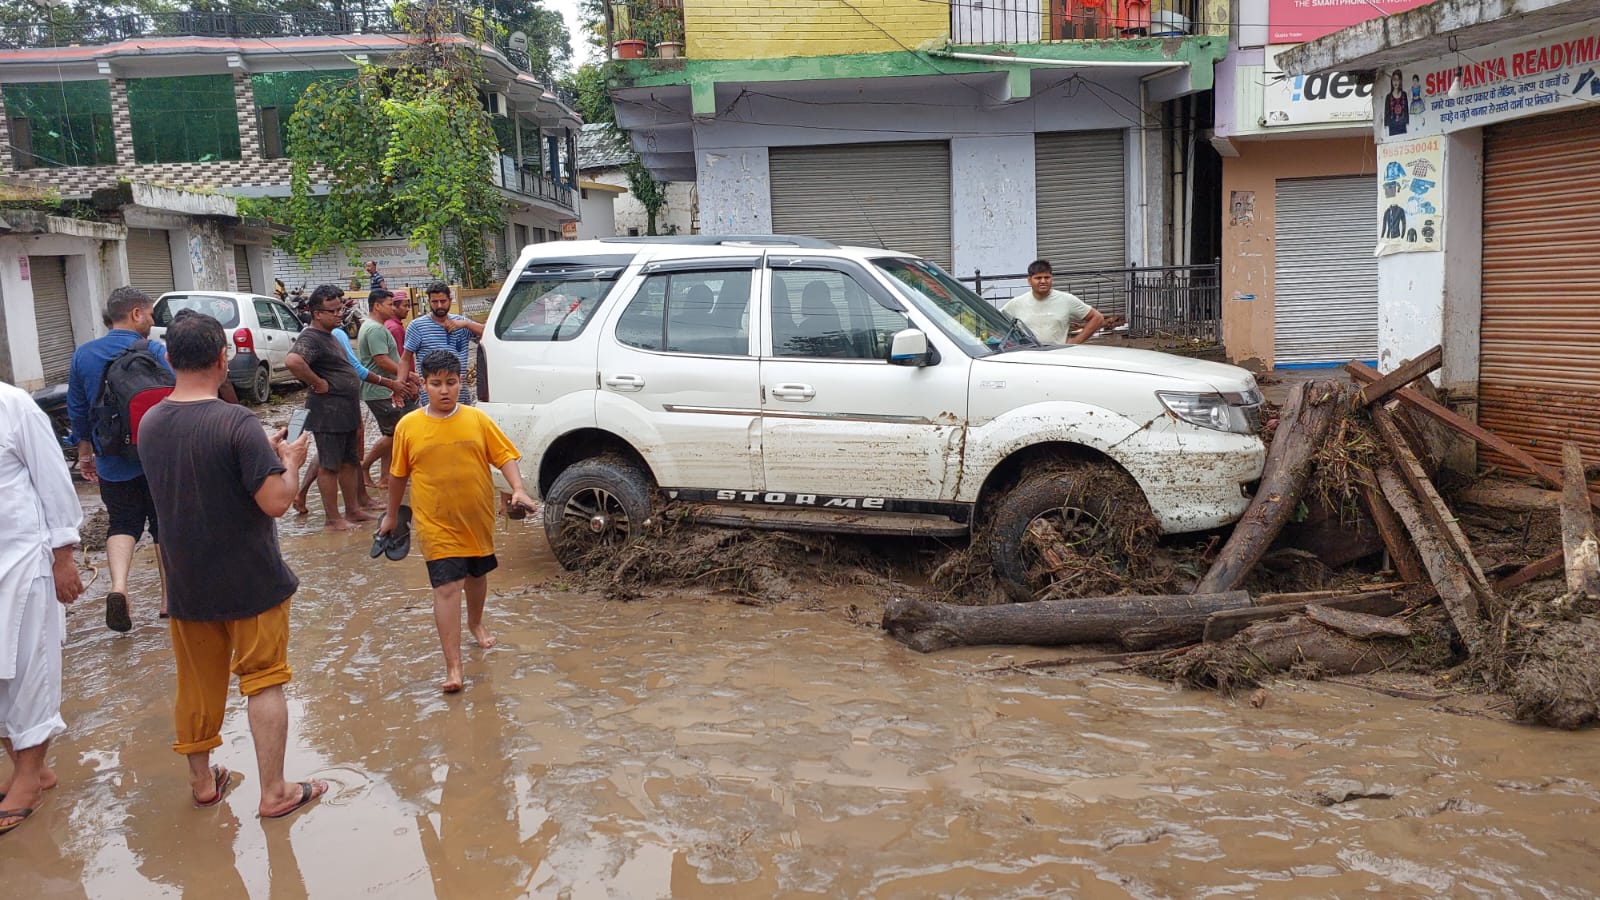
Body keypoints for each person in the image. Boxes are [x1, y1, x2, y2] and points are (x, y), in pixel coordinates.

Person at [138, 312, 328, 819]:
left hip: (185, 581)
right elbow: (276, 502)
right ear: (223, 359)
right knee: (264, 679)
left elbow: (195, 471)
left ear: (170, 360)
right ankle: (275, 792)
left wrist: (257, 452)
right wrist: (288, 460)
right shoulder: (236, 422)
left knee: (197, 683)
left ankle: (203, 783)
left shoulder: (151, 422)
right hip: (250, 580)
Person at [379, 350, 534, 694]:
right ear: (423, 384)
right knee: (447, 587)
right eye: (436, 384)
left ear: (461, 381)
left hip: (476, 518)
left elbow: (505, 456)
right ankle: (453, 667)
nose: (444, 390)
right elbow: (397, 476)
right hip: (435, 524)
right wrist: (391, 515)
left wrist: (518, 489)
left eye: (451, 382)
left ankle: (475, 623)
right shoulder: (409, 426)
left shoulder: (477, 421)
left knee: (476, 576)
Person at [0, 380, 85, 836]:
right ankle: (28, 768)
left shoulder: (14, 407)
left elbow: (54, 482)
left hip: (21, 561)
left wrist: (63, 556)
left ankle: (29, 779)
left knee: (30, 668)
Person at [66, 286, 170, 632]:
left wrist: (84, 453)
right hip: (156, 455)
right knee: (162, 524)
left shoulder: (84, 355)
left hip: (111, 456)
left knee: (122, 523)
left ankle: (119, 588)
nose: (152, 321)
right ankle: (169, 600)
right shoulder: (154, 350)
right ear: (136, 313)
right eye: (151, 314)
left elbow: (78, 410)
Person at [284, 285, 405, 531]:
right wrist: (317, 382)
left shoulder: (331, 336)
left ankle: (353, 510)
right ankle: (332, 519)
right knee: (329, 465)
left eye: (340, 309)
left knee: (350, 461)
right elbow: (293, 361)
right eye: (333, 311)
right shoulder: (311, 337)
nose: (339, 314)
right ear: (317, 313)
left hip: (344, 410)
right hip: (327, 412)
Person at [357, 289, 418, 490]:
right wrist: (409, 375)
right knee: (393, 433)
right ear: (377, 305)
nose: (393, 308)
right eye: (390, 304)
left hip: (385, 389)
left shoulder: (377, 327)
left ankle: (385, 477)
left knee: (392, 433)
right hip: (380, 389)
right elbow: (382, 360)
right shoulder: (375, 329)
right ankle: (365, 466)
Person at [401, 282, 482, 409]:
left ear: (450, 299)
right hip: (431, 395)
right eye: (434, 302)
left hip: (460, 394)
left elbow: (489, 333)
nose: (439, 305)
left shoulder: (460, 322)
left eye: (443, 301)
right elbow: (405, 359)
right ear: (429, 301)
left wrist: (466, 324)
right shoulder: (417, 326)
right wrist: (400, 385)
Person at [1001, 260, 1106, 345]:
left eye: (1047, 277)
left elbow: (1097, 318)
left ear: (1052, 279)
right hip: (1028, 358)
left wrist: (1075, 342)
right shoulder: (1017, 303)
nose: (1043, 281)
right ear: (1029, 280)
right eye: (1038, 278)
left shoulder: (1066, 300)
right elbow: (992, 321)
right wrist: (1010, 344)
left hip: (1057, 358)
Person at [1384, 69, 1410, 137]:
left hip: (1402, 126)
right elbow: (1386, 114)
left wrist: (1407, 123)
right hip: (1392, 127)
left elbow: (1406, 111)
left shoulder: (1404, 94)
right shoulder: (1388, 97)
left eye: (1397, 80)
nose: (1395, 82)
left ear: (1400, 81)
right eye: (1394, 80)